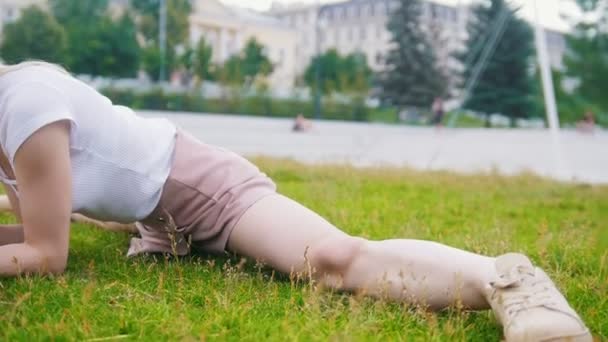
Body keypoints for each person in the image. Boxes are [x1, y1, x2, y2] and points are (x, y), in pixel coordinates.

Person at [0, 61, 592, 341]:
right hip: (159, 220)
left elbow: (47, 255)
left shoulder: (26, 105)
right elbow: (33, 228)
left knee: (332, 262)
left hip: (202, 188)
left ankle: (511, 282)